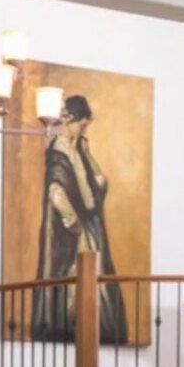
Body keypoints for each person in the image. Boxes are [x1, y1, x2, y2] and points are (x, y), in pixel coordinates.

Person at [30, 94, 129, 343]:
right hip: (70, 228)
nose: (83, 129)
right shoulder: (59, 149)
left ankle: (96, 329)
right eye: (82, 124)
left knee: (96, 275)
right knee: (75, 276)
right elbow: (55, 191)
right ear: (71, 120)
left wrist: (86, 154)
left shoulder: (78, 148)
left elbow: (99, 181)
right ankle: (72, 326)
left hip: (87, 223)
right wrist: (71, 219)